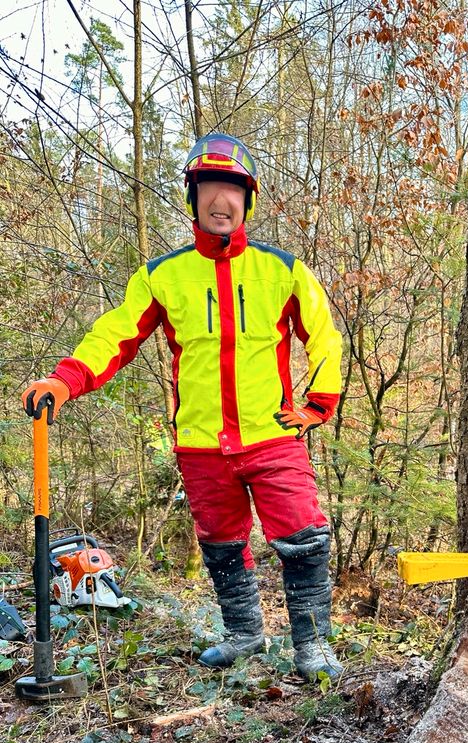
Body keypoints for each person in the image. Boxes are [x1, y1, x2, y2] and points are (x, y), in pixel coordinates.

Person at [21, 132, 343, 681]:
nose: (222, 201)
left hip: (272, 438)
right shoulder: (160, 276)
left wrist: (317, 404)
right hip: (200, 444)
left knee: (303, 539)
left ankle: (312, 647)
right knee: (221, 544)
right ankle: (245, 635)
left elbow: (326, 338)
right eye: (210, 189)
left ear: (248, 199)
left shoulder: (283, 269)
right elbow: (113, 338)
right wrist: (64, 380)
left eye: (233, 190)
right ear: (194, 197)